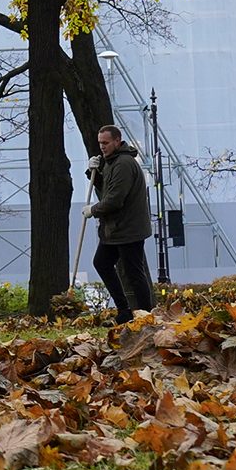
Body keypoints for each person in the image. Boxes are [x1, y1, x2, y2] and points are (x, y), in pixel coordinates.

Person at [86, 125, 157, 323]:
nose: (102, 147)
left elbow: (115, 199)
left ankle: (145, 315)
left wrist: (93, 210)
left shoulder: (123, 164)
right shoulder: (112, 162)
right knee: (102, 263)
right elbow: (108, 189)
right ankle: (125, 310)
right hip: (116, 229)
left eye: (106, 143)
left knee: (134, 272)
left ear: (118, 141)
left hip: (128, 229)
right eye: (100, 143)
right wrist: (92, 173)